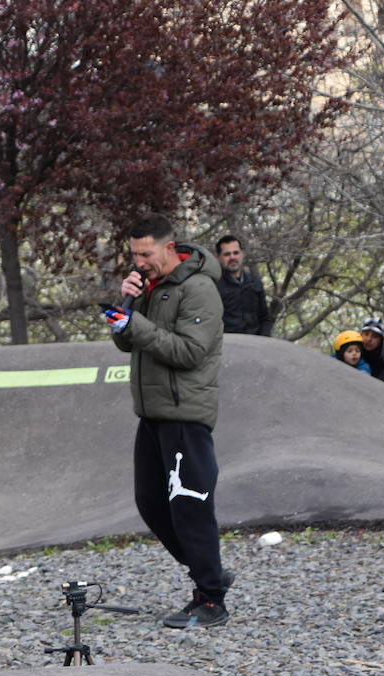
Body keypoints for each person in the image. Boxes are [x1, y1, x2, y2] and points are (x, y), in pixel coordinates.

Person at [106, 215, 230, 629]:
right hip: (153, 413)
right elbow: (129, 342)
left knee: (190, 507)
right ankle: (207, 569)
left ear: (169, 247)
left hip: (185, 414)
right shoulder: (150, 287)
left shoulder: (199, 289)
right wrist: (126, 308)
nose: (139, 261)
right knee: (152, 504)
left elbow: (189, 352)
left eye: (146, 253)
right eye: (134, 254)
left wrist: (135, 324)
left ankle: (211, 600)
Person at [213, 235, 273, 335]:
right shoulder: (214, 286)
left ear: (242, 254)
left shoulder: (255, 282)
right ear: (219, 258)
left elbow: (265, 318)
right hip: (229, 344)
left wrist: (265, 340)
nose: (232, 257)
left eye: (236, 253)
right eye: (227, 254)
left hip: (256, 343)